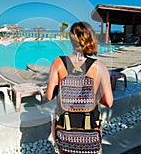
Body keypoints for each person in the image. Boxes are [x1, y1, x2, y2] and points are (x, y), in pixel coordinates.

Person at [46, 21, 113, 153]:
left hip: (64, 131)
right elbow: (109, 102)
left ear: (71, 39)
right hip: (90, 133)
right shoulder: (100, 67)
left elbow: (49, 96)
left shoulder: (58, 63)